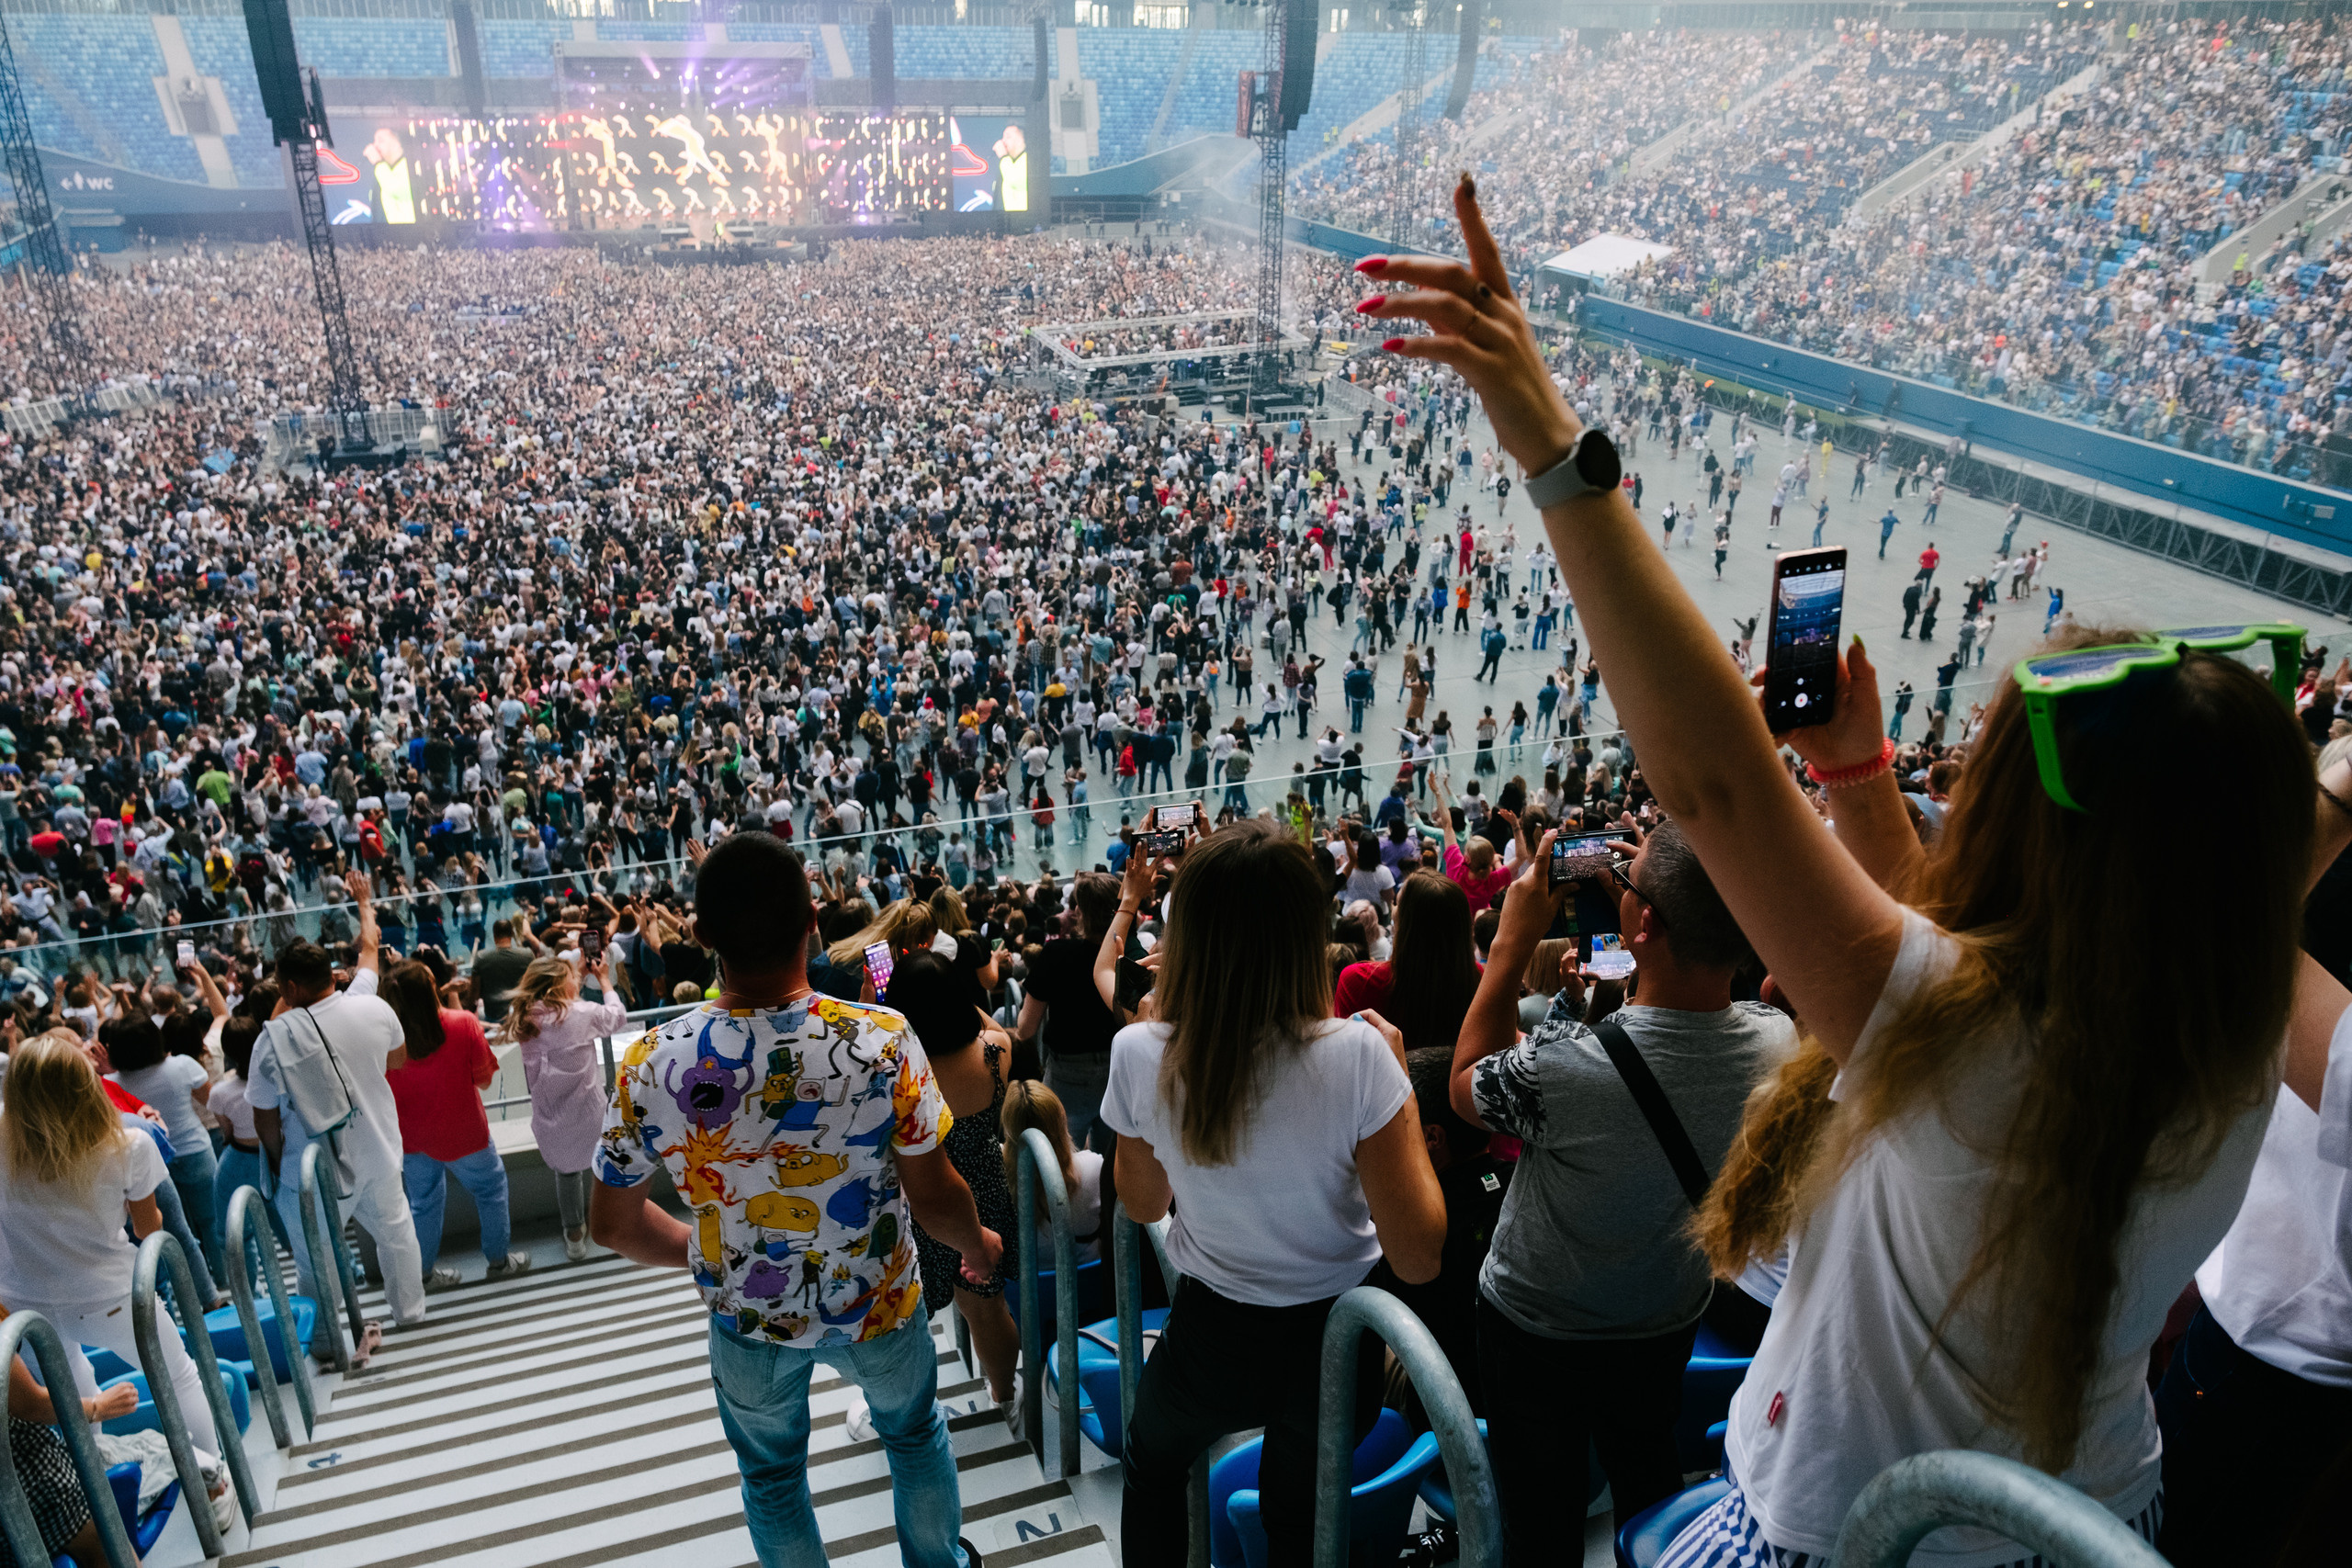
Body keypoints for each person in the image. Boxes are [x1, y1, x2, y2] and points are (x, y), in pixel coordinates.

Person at [1366, 185, 2312, 1565]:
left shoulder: (1978, 1042)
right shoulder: (2224, 1036)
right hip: (2085, 1513)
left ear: (2044, 845)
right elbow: (1951, 959)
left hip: (1845, 1531)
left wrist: (1555, 446)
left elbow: (1720, 785)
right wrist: (1866, 784)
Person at [592, 831, 1000, 1568]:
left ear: (702, 932)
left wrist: (702, 1248)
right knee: (913, 1435)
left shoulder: (653, 1061)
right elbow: (936, 1194)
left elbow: (611, 1222)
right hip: (878, 1300)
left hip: (747, 1316)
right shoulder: (880, 1040)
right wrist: (976, 1247)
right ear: (813, 918)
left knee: (773, 1477)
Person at [1103, 819, 1445, 1568]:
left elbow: (1141, 1204)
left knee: (1153, 1463)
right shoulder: (1359, 1056)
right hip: (1335, 1343)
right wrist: (1400, 1085)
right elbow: (1418, 1257)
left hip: (1211, 1339)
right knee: (1298, 1515)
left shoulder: (1140, 1050)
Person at [1450, 821, 1795, 1552]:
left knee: (1541, 1521)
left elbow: (1463, 1084)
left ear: (1641, 922)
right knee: (1647, 1478)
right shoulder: (1779, 1044)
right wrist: (1672, 886)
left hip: (1536, 1327)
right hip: (1663, 1319)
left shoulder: (1567, 1071)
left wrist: (1514, 937)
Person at [0, 1033, 226, 1480]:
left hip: (23, 1301)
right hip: (111, 1294)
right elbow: (149, 1229)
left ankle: (101, 1482)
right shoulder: (127, 1145)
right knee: (179, 1377)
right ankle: (214, 1480)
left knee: (70, 1381)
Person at [250, 878, 429, 1333]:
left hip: (313, 1168)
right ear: (333, 975)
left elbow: (264, 1115)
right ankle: (409, 1315)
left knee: (317, 1258)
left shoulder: (272, 1042)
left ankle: (327, 1334)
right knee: (397, 1235)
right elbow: (396, 1057)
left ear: (288, 987)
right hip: (379, 1149)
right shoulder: (372, 1006)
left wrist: (276, 1159)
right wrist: (365, 901)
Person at [383, 959, 530, 1288]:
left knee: (423, 1204)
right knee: (490, 1191)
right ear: (431, 989)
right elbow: (484, 1080)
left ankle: (423, 1274)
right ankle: (498, 1262)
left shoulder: (383, 1040)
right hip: (466, 1135)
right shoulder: (463, 1023)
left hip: (412, 1140)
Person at [505, 951, 628, 1264]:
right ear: (561, 987)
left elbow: (556, 1003)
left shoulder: (522, 1017)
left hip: (550, 1117)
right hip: (590, 1112)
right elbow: (617, 1017)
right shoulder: (583, 1014)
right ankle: (612, 1226)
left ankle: (574, 1236)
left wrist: (575, 974)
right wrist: (602, 979)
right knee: (604, 1166)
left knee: (567, 1172)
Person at [1011, 871, 1124, 1150]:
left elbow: (1025, 1029)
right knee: (1108, 1165)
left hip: (1067, 1076)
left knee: (1060, 1161)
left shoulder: (1056, 953)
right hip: (1119, 1071)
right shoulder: (1129, 955)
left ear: (1079, 912)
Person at [100, 1013, 220, 1278]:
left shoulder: (113, 1084)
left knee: (176, 1232)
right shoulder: (182, 1065)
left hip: (152, 1166)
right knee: (211, 1222)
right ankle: (222, 1279)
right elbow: (211, 1101)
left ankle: (187, 1287)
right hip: (194, 1150)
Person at [1334, 870, 1481, 1055]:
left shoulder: (1357, 981)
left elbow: (1347, 1054)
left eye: (1396, 903)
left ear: (1403, 922)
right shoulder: (1479, 979)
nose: (1393, 908)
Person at [1001, 1078, 1105, 1265]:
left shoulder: (991, 1170)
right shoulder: (1094, 1167)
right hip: (1087, 1289)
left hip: (1018, 1292)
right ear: (1061, 1122)